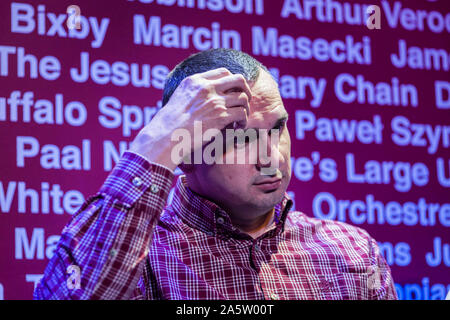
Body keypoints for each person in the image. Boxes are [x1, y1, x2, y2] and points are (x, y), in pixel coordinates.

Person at [34, 48, 397, 300]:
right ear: (186, 151)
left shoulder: (350, 250)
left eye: (277, 128)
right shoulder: (144, 253)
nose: (270, 156)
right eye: (240, 138)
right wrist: (156, 141)